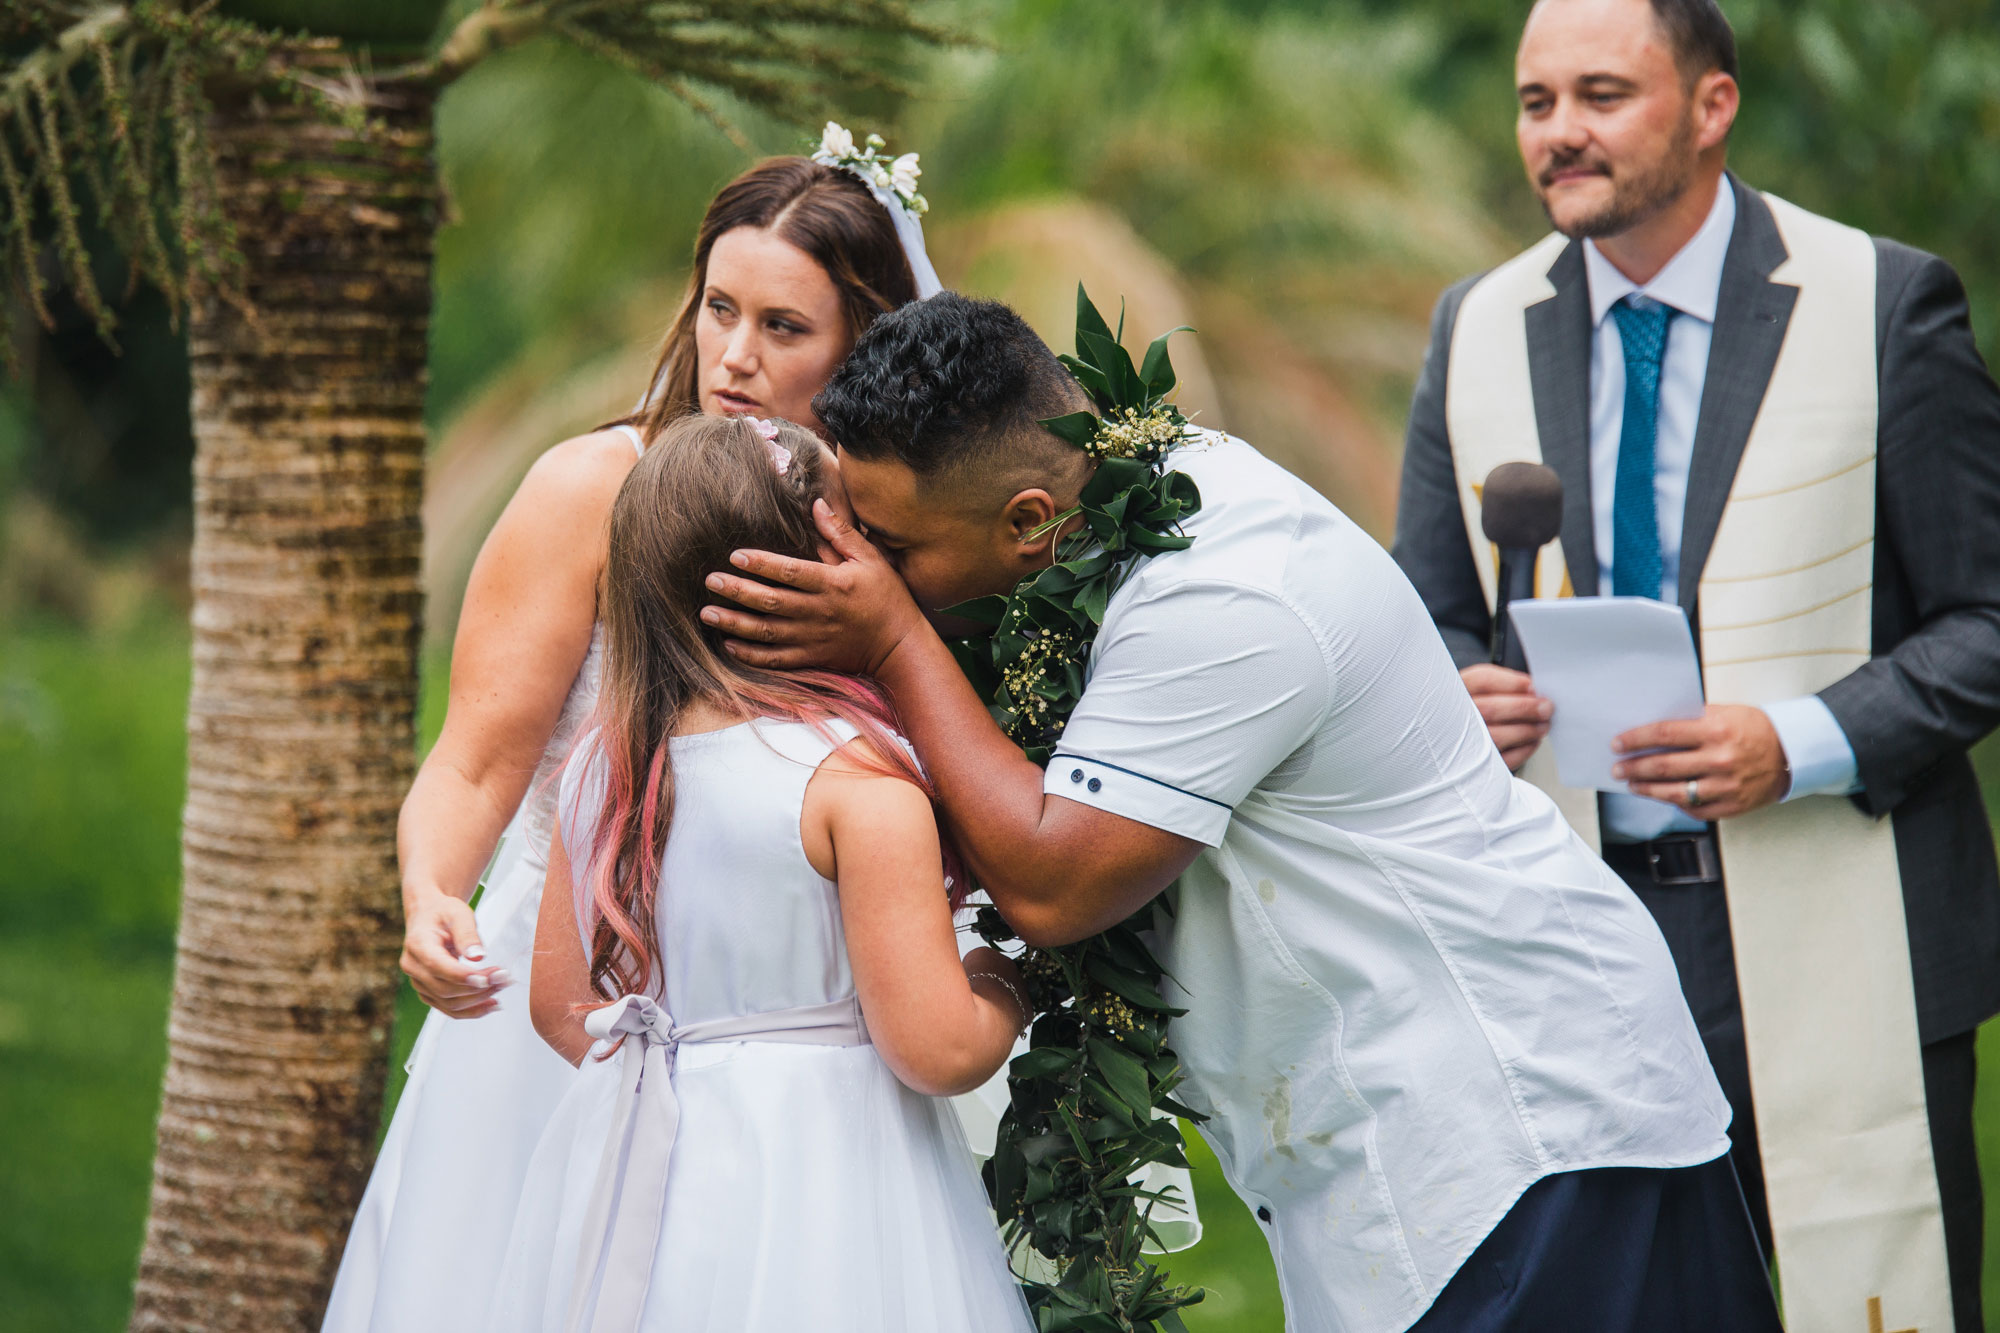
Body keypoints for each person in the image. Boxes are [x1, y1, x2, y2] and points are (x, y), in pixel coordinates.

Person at [699, 291, 1780, 1332]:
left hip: (1522, 1129)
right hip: (1415, 1138)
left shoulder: (1224, 596)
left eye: (891, 548)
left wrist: (893, 640)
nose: (875, 572)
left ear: (1029, 521)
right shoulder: (1109, 509)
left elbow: (1052, 882)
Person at [1390, 1, 2000, 1328]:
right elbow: (1429, 615)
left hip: (1849, 920)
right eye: (1536, 101)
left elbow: (1985, 621)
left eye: (1602, 95)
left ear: (1712, 106)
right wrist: (1455, 690)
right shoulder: (1475, 327)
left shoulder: (1882, 303)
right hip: (1579, 938)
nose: (1561, 134)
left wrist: (1802, 740)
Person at [323, 139, 932, 1333]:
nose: (736, 356)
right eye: (718, 309)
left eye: (783, 327)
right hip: (569, 995)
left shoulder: (895, 544)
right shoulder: (591, 489)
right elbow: (474, 760)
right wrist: (428, 889)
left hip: (797, 1025)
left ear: (865, 344)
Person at [485, 413, 1033, 1333]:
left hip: (657, 1176)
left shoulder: (604, 768)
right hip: (836, 1176)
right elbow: (936, 1049)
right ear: (815, 571)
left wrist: (696, 1071)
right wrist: (1004, 980)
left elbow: (560, 1006)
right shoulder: (856, 784)